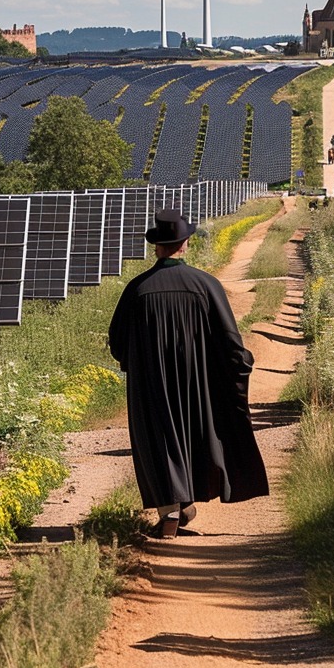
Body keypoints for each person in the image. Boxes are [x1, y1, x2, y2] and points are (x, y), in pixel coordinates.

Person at [108, 207, 269, 538]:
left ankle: (171, 508)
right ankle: (186, 503)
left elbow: (117, 342)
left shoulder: (137, 290)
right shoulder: (205, 285)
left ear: (157, 247)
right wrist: (240, 367)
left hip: (151, 384)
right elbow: (229, 341)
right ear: (185, 245)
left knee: (160, 440)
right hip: (199, 384)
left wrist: (137, 366)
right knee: (197, 434)